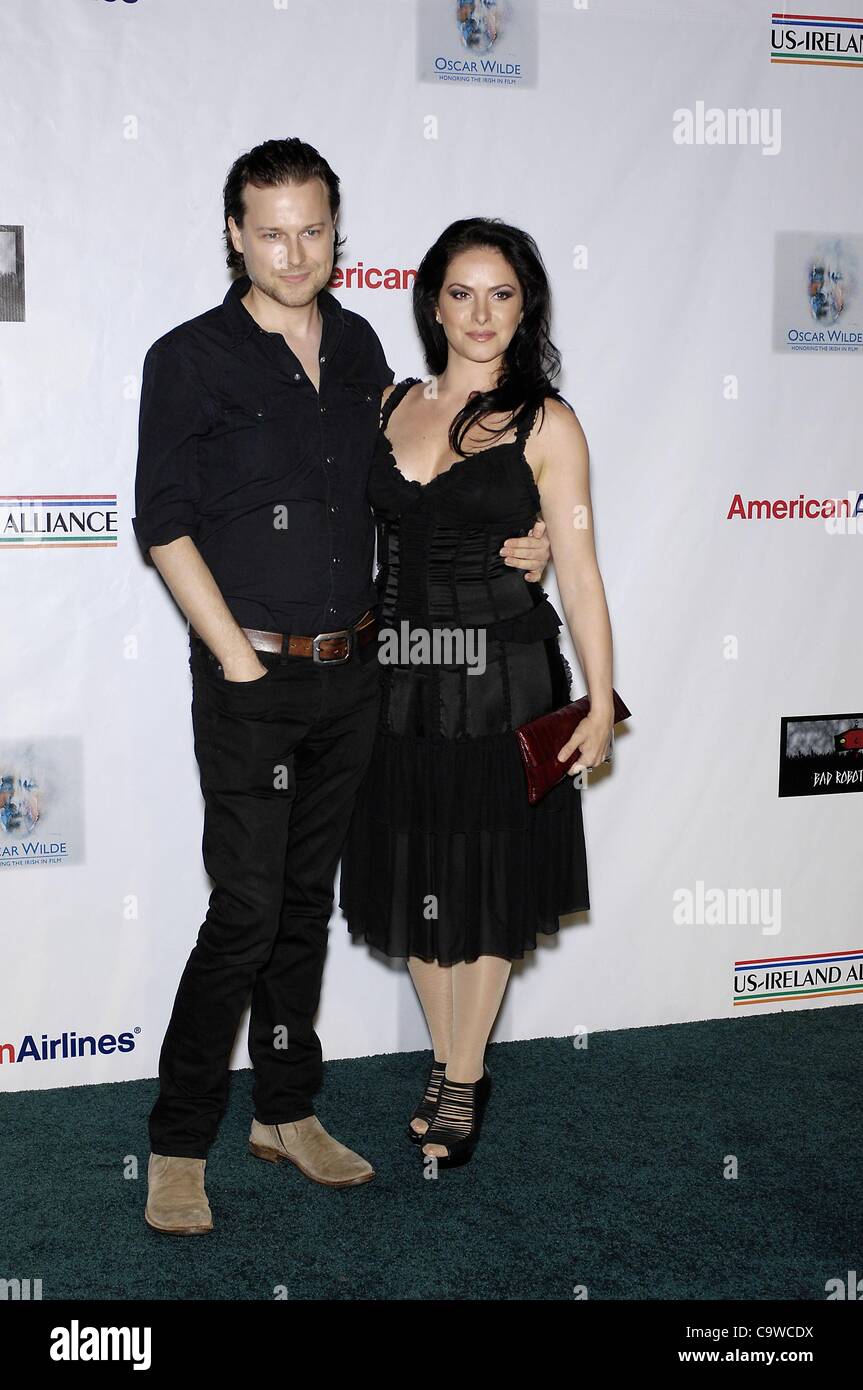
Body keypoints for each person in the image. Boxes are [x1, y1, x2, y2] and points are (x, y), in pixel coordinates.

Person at [131, 140, 551, 1233]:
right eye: (269, 229)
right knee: (246, 911)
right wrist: (232, 653)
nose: (292, 250)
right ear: (234, 234)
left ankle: (285, 1110)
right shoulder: (189, 358)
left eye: (312, 228)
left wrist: (525, 543)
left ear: (335, 228)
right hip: (248, 677)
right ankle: (179, 1141)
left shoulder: (364, 346)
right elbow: (161, 521)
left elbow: (416, 491)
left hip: (357, 673)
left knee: (305, 909)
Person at [339, 217, 616, 1167]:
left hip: (503, 681)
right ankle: (450, 1057)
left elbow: (576, 571)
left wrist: (602, 700)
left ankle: (462, 1076)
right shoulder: (391, 404)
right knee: (414, 872)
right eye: (461, 292)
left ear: (526, 302)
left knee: (488, 881)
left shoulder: (548, 422)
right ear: (433, 303)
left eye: (501, 293)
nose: (481, 313)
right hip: (399, 681)